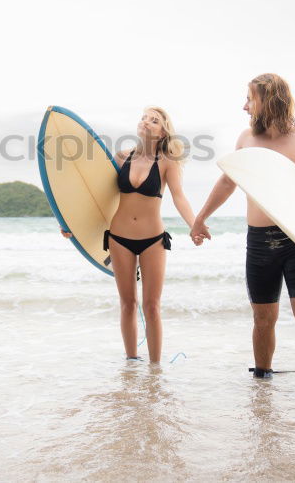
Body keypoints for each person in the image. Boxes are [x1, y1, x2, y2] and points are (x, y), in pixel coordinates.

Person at [189, 74, 295, 393]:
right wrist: (200, 218)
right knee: (262, 317)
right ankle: (262, 386)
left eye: (250, 99)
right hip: (258, 242)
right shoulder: (245, 139)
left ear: (269, 100)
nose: (244, 106)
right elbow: (229, 181)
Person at [62, 107, 197, 363]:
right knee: (127, 304)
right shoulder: (121, 158)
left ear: (162, 131)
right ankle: (132, 363)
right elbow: (95, 196)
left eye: (154, 120)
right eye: (144, 117)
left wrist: (194, 224)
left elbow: (179, 197)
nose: (146, 122)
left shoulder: (168, 163)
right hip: (119, 238)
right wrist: (72, 224)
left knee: (152, 306)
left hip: (153, 239)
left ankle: (155, 369)